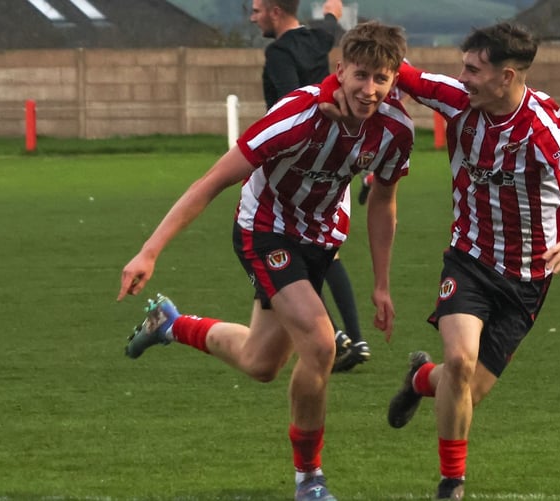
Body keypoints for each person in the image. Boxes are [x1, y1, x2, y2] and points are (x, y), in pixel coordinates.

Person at [117, 21, 411, 501]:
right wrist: (149, 250)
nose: (370, 88)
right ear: (340, 70)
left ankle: (170, 324)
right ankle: (309, 481)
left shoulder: (395, 129)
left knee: (260, 362)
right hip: (265, 229)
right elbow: (212, 180)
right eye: (361, 75)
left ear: (395, 79)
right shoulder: (296, 115)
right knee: (320, 344)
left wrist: (381, 283)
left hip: (320, 239)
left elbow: (383, 201)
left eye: (382, 78)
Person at [320, 21, 560, 500]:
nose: (463, 77)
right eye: (463, 66)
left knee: (465, 392)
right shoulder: (455, 98)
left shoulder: (546, 129)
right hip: (469, 259)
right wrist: (331, 92)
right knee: (459, 359)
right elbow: (384, 70)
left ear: (507, 76)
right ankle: (452, 482)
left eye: (474, 70)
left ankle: (418, 378)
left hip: (526, 281)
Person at [251, 0, 370, 372]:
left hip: (294, 164)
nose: (253, 17)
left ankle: (333, 336)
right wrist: (332, 13)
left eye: (256, 10)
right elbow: (332, 29)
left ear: (274, 11)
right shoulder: (319, 39)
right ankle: (353, 336)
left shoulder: (279, 53)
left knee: (286, 254)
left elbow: (292, 101)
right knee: (326, 252)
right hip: (334, 161)